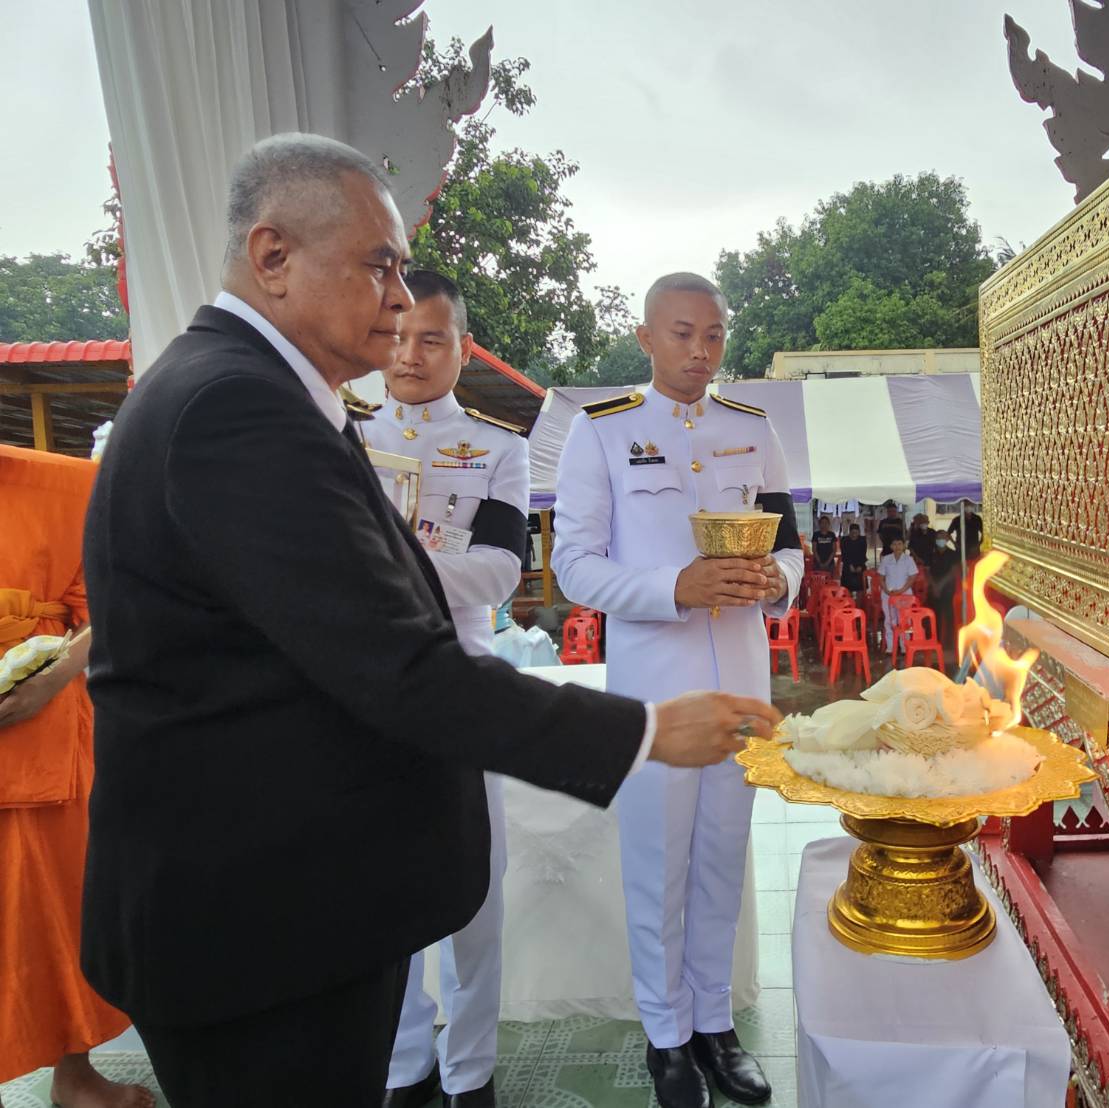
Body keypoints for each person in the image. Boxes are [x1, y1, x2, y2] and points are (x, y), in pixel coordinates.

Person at [79, 134, 777, 1108]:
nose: (402, 302)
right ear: (273, 257)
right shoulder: (237, 409)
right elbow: (399, 660)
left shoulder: (248, 391)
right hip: (255, 918)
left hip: (274, 892)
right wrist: (649, 730)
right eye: (379, 267)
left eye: (403, 274)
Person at [553, 272, 803, 1108]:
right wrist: (673, 589)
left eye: (714, 335)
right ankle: (664, 1035)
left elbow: (793, 547)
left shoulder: (752, 428)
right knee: (657, 861)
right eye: (682, 333)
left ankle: (713, 1027)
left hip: (740, 680)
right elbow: (575, 566)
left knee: (723, 859)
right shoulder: (602, 433)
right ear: (647, 337)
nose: (700, 351)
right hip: (654, 689)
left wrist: (776, 579)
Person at [360, 271, 527, 1108]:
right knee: (379, 887)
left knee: (474, 893)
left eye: (432, 338)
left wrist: (388, 567)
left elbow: (500, 568)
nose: (410, 355)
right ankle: (403, 1066)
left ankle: (470, 1072)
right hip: (359, 691)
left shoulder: (500, 447)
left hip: (461, 689)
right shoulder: (337, 434)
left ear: (463, 347)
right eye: (396, 335)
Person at [0, 446, 153, 1108]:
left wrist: (53, 677)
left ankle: (75, 1072)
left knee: (64, 903)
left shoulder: (66, 483)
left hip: (45, 719)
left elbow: (123, 588)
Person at [925, 530, 964, 656]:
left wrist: (940, 585)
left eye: (943, 537)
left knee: (948, 616)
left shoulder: (953, 554)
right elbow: (927, 571)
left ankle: (949, 644)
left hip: (947, 589)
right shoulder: (931, 554)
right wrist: (934, 586)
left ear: (947, 539)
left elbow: (953, 572)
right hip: (933, 589)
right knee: (932, 616)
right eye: (938, 537)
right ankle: (933, 641)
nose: (940, 540)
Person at [878, 536, 919, 652]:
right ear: (891, 546)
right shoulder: (886, 559)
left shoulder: (908, 559)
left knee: (905, 620)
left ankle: (904, 645)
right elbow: (880, 577)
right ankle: (891, 646)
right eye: (894, 544)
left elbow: (912, 577)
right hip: (888, 594)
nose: (897, 547)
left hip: (904, 594)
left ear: (904, 545)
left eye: (899, 544)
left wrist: (901, 590)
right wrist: (886, 590)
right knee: (890, 619)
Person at [839, 522, 868, 595]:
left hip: (860, 565)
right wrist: (850, 565)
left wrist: (860, 566)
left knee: (860, 589)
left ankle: (859, 605)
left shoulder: (862, 540)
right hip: (847, 565)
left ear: (859, 532)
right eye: (852, 533)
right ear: (849, 532)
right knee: (847, 589)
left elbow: (863, 554)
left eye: (856, 533)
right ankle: (849, 604)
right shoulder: (844, 540)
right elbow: (844, 554)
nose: (854, 535)